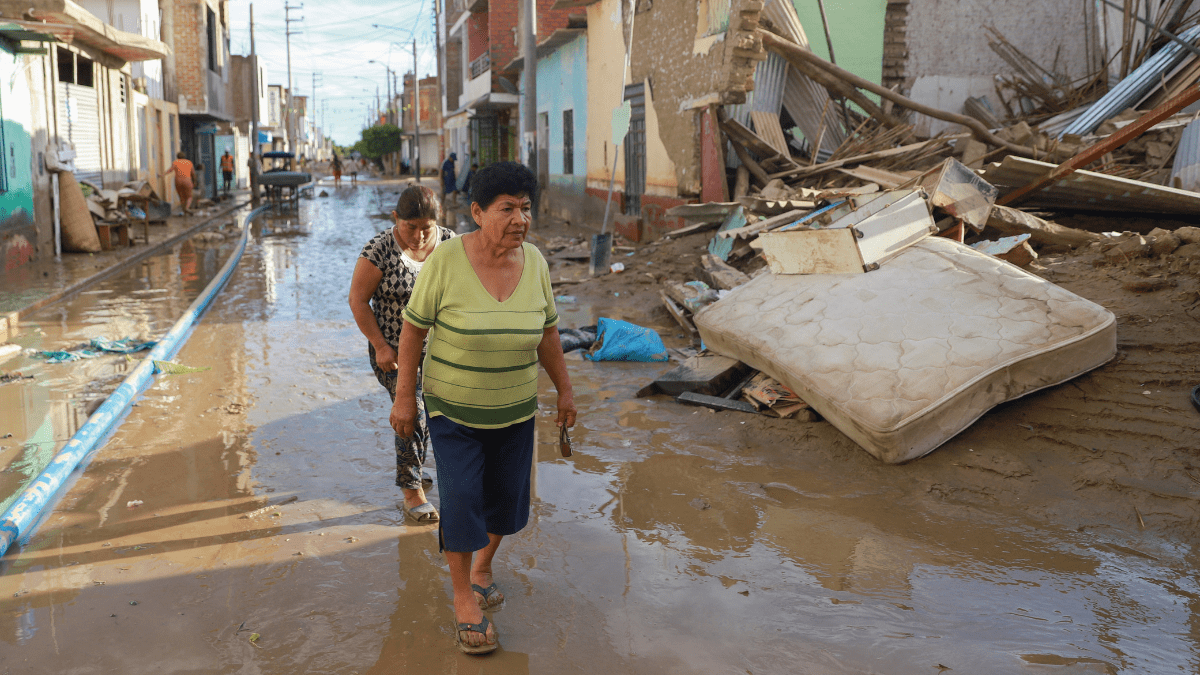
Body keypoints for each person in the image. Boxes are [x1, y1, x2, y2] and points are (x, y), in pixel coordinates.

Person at [392, 161, 576, 655]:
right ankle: (462, 598)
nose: (521, 219)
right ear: (477, 212)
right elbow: (414, 329)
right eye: (507, 209)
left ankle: (483, 566)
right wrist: (405, 395)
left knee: (506, 502)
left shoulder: (535, 262)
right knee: (460, 500)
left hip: (515, 410)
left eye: (526, 208)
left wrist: (565, 390)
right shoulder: (447, 261)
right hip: (453, 410)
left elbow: (549, 332)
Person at [349, 184, 456, 526]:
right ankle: (412, 490)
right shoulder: (379, 251)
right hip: (393, 354)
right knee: (413, 412)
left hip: (441, 354)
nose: (420, 236)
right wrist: (380, 345)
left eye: (427, 228)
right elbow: (357, 300)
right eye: (411, 227)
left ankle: (417, 467)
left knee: (438, 416)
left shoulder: (452, 246)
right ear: (396, 219)